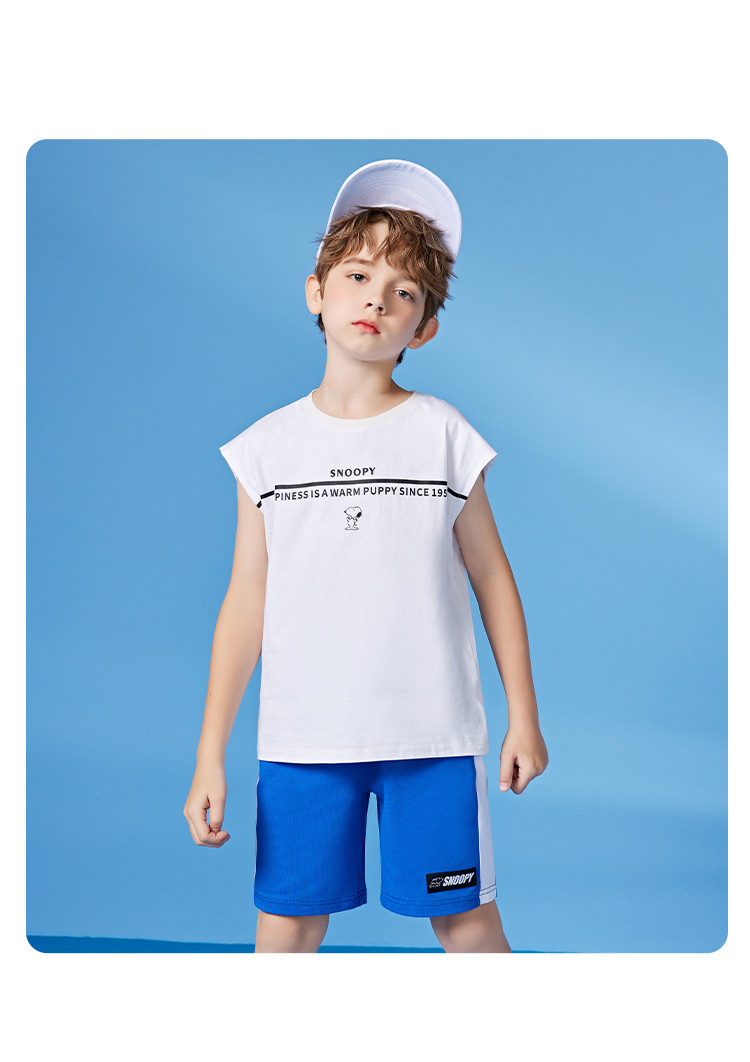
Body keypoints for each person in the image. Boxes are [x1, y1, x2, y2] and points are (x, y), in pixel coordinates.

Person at [183, 159, 549, 953]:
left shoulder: (444, 435)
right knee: (286, 929)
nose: (377, 299)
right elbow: (246, 604)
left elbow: (493, 578)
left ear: (425, 328)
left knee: (467, 922)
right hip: (304, 744)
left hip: (435, 740)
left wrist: (524, 715)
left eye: (403, 291)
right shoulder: (265, 450)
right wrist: (210, 754)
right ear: (316, 292)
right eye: (357, 276)